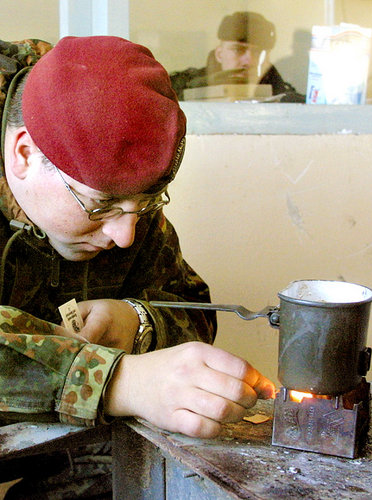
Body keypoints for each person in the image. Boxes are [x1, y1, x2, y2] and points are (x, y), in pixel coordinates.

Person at [0, 36, 275, 498]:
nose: (125, 235)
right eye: (101, 206)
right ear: (25, 154)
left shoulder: (115, 180)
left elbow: (190, 306)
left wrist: (138, 320)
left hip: (58, 439)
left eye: (145, 205)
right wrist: (119, 381)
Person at [170, 11, 305, 102]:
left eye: (258, 53)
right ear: (219, 54)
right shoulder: (186, 86)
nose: (249, 61)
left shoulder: (281, 93)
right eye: (238, 50)